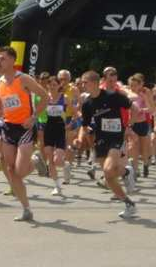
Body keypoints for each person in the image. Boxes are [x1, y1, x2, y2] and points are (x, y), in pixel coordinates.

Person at [0, 46, 48, 221]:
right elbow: (1, 107)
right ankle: (26, 209)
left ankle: (35, 160)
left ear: (12, 61)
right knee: (10, 170)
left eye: (2, 59)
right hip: (8, 128)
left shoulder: (23, 79)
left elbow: (44, 96)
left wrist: (33, 117)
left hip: (25, 127)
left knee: (20, 170)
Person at [76, 70, 137, 219]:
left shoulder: (112, 96)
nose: (83, 85)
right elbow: (84, 126)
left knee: (108, 170)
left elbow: (134, 108)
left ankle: (125, 173)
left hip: (116, 137)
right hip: (100, 140)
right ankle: (128, 200)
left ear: (95, 83)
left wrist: (129, 127)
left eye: (85, 82)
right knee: (109, 176)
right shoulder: (87, 104)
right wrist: (83, 139)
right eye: (82, 82)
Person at [41, 74, 68, 196]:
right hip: (49, 127)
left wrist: (71, 123)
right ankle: (57, 186)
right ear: (47, 86)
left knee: (58, 160)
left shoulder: (64, 98)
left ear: (59, 86)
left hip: (60, 128)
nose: (52, 87)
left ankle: (65, 165)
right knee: (50, 158)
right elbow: (38, 111)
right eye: (50, 85)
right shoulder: (45, 98)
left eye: (54, 85)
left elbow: (74, 112)